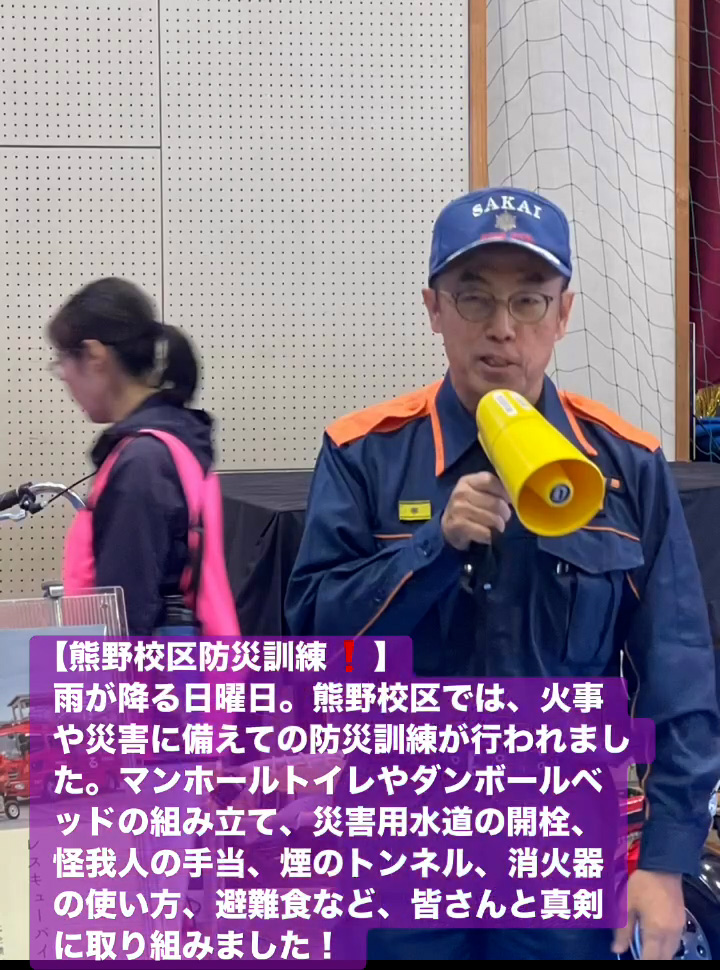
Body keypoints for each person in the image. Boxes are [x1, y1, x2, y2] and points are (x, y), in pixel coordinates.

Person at [285, 188, 720, 961]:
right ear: (434, 308)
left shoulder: (625, 465)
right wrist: (431, 549)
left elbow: (677, 668)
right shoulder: (364, 453)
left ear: (563, 313)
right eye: (474, 297)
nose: (502, 328)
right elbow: (315, 640)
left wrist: (665, 859)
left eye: (529, 300)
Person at [48, 277, 238, 639]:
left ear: (95, 356)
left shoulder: (143, 462)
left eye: (62, 361)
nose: (64, 377)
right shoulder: (172, 441)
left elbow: (125, 617)